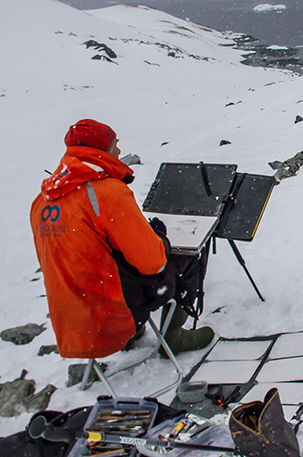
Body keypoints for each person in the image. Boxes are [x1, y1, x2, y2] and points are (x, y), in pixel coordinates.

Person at [30, 119, 214, 360]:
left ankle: (134, 334)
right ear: (103, 151)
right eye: (114, 144)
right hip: (110, 310)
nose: (118, 151)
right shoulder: (107, 193)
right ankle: (174, 337)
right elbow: (154, 263)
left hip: (72, 314)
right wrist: (159, 237)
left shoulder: (43, 200)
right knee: (189, 257)